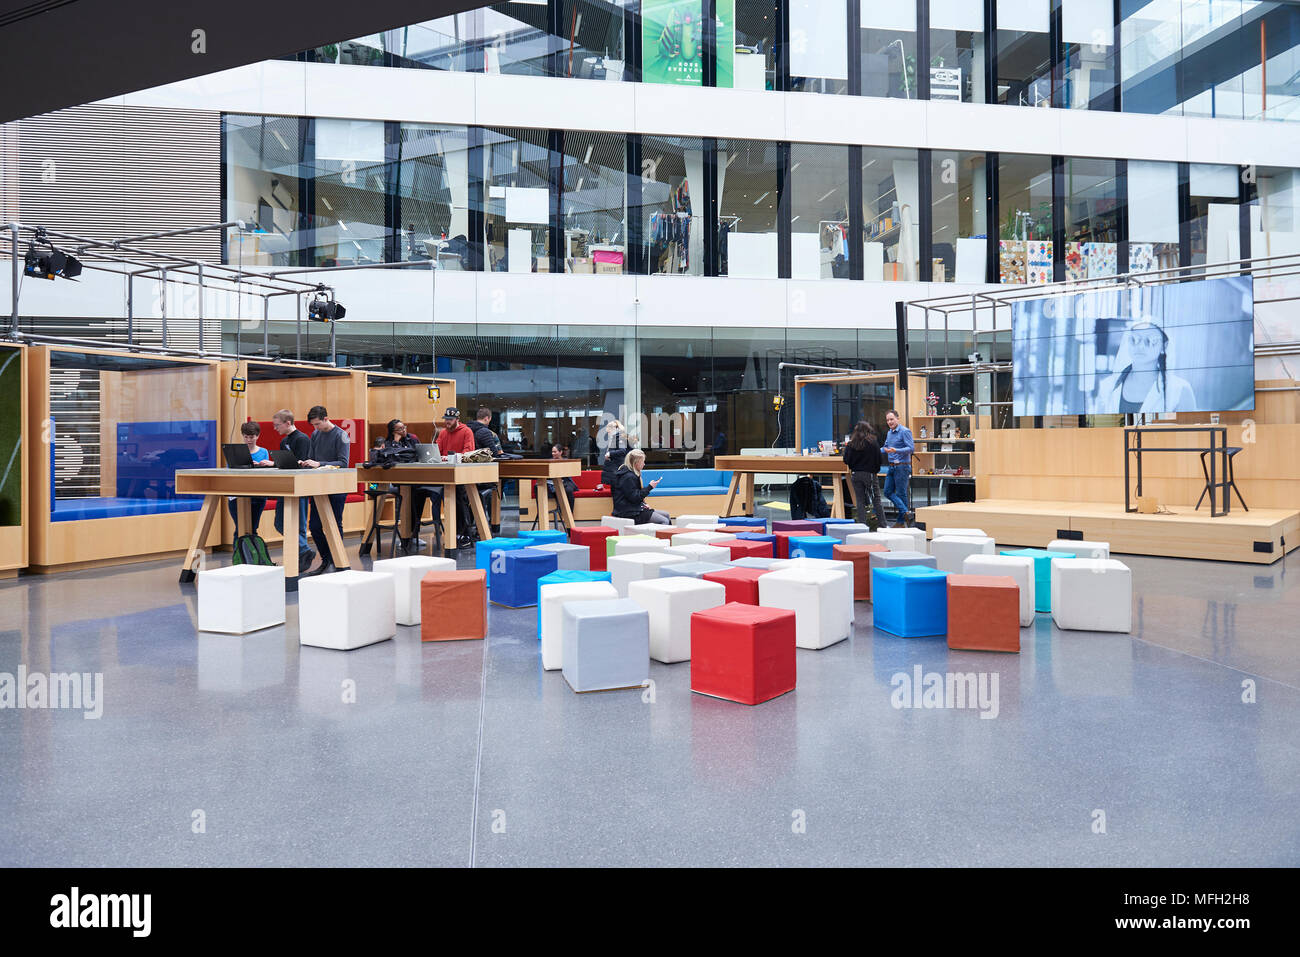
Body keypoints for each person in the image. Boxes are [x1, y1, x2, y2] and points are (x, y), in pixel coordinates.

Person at [1094, 317, 1197, 414]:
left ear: (1164, 346)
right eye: (1134, 340)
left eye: (1151, 341)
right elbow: (1097, 431)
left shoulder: (1179, 390)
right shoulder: (1107, 386)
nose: (1141, 346)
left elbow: (1192, 432)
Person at [300, 405, 352, 577]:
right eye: (313, 425)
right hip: (319, 487)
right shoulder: (315, 435)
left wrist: (318, 464)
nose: (316, 428)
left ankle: (338, 560)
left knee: (335, 525)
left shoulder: (341, 435)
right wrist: (306, 463)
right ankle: (326, 559)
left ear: (325, 418)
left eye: (317, 424)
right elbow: (312, 458)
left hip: (337, 486)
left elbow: (343, 463)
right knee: (314, 526)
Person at [265, 409, 313, 570]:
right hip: (285, 487)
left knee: (298, 525)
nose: (275, 428)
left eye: (277, 425)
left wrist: (274, 464)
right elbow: (285, 464)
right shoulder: (284, 441)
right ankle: (305, 550)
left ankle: (302, 555)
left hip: (299, 488)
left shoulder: (302, 439)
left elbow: (302, 464)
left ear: (288, 423)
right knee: (280, 523)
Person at [434, 407, 480, 549]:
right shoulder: (442, 433)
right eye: (446, 419)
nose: (447, 422)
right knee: (441, 499)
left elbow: (468, 452)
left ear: (457, 420)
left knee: (460, 501)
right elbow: (436, 450)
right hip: (445, 474)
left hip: (462, 475)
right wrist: (439, 457)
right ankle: (452, 532)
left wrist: (448, 457)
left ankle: (463, 534)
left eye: (450, 420)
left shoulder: (467, 431)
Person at [843, 420, 886, 530]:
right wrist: (875, 470)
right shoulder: (873, 442)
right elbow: (879, 459)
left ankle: (862, 526)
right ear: (868, 430)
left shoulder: (851, 444)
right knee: (876, 499)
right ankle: (883, 525)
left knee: (860, 500)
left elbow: (846, 460)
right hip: (870, 474)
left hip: (855, 474)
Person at [227, 421, 268, 536]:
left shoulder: (263, 451)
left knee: (252, 528)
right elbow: (229, 470)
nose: (249, 440)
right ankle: (239, 553)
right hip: (238, 493)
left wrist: (259, 466)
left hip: (257, 494)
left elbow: (266, 475)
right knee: (240, 528)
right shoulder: (235, 451)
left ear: (257, 436)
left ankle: (252, 553)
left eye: (252, 437)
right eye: (246, 437)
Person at [611, 448, 669, 525]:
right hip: (629, 512)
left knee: (666, 515)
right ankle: (661, 537)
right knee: (664, 521)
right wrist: (650, 487)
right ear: (636, 463)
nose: (644, 464)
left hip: (633, 508)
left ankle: (667, 536)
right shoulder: (628, 477)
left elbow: (632, 496)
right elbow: (635, 497)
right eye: (643, 462)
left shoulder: (628, 473)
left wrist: (643, 505)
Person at [881, 409, 914, 528]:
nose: (889, 422)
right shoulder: (889, 432)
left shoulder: (905, 431)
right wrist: (871, 449)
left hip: (902, 466)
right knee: (887, 492)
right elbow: (885, 447)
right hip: (891, 466)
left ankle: (900, 522)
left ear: (897, 418)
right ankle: (906, 512)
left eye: (891, 419)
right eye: (887, 420)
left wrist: (897, 450)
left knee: (901, 493)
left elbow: (911, 448)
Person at [545, 442, 578, 513]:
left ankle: (569, 514)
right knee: (555, 489)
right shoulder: (550, 461)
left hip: (566, 481)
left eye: (555, 452)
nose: (553, 453)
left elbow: (569, 474)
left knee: (568, 490)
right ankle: (560, 511)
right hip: (553, 482)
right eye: (552, 452)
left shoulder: (566, 461)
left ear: (560, 452)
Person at [598, 418, 630, 488]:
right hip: (614, 468)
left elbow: (622, 451)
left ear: (614, 429)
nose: (608, 433)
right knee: (615, 489)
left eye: (609, 431)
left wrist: (609, 454)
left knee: (616, 490)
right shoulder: (615, 437)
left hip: (617, 468)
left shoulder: (620, 437)